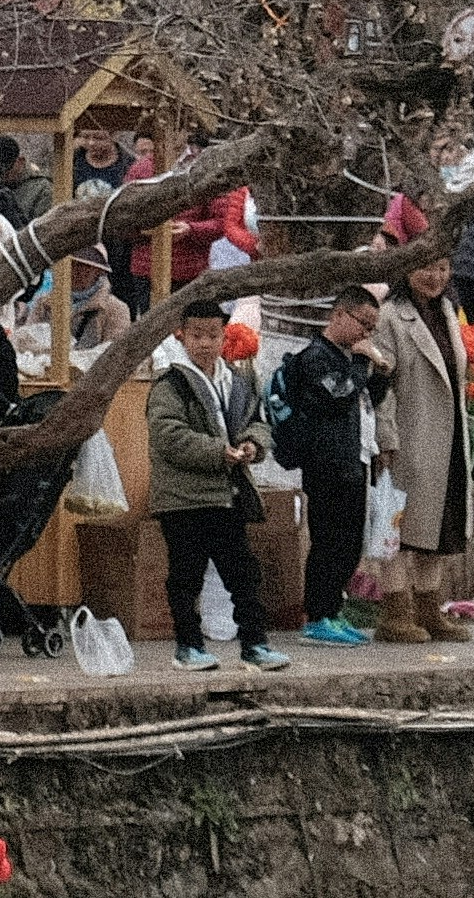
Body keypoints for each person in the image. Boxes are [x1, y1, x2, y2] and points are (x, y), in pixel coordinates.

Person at [138, 301, 284, 671]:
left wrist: (252, 445)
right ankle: (188, 646)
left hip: (227, 493)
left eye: (212, 335)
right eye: (196, 335)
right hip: (182, 498)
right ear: (181, 335)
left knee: (243, 571)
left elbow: (257, 421)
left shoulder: (237, 378)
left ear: (224, 336)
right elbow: (169, 436)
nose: (205, 343)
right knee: (186, 574)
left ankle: (255, 643)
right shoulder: (170, 383)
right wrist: (220, 452)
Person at [269, 286, 382, 647]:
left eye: (372, 326)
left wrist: (379, 372)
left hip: (354, 457)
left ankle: (333, 610)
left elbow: (367, 398)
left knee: (350, 542)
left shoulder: (347, 357)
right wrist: (364, 363)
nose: (366, 332)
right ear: (338, 314)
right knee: (328, 541)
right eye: (362, 322)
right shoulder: (315, 357)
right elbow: (339, 396)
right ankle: (318, 614)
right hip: (326, 461)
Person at [369, 249, 471, 644]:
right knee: (401, 526)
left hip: (447, 436)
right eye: (426, 265)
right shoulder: (391, 317)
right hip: (410, 433)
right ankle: (396, 611)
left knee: (440, 527)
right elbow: (380, 385)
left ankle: (430, 608)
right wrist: (385, 437)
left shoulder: (447, 312)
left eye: (443, 266)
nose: (435, 275)